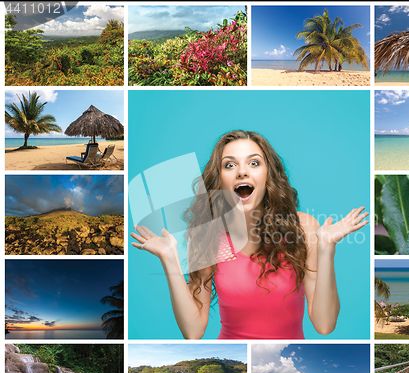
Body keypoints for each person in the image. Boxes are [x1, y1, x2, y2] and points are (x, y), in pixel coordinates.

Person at [131, 130, 368, 339]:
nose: (242, 172)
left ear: (268, 175)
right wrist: (169, 258)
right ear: (220, 179)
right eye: (230, 165)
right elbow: (193, 331)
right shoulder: (211, 236)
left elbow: (324, 325)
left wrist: (327, 248)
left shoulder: (301, 228)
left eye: (254, 163)